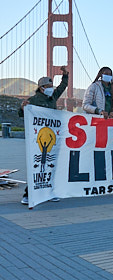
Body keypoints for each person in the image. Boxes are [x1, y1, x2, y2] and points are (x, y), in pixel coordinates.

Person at [18, 66, 68, 205]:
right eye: (48, 86)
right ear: (41, 88)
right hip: (38, 139)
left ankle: (50, 192)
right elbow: (22, 115)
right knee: (37, 165)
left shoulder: (52, 98)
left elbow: (62, 87)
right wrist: (23, 108)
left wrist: (65, 76)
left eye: (51, 86)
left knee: (51, 166)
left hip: (52, 138)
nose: (51, 88)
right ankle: (28, 194)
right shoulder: (33, 100)